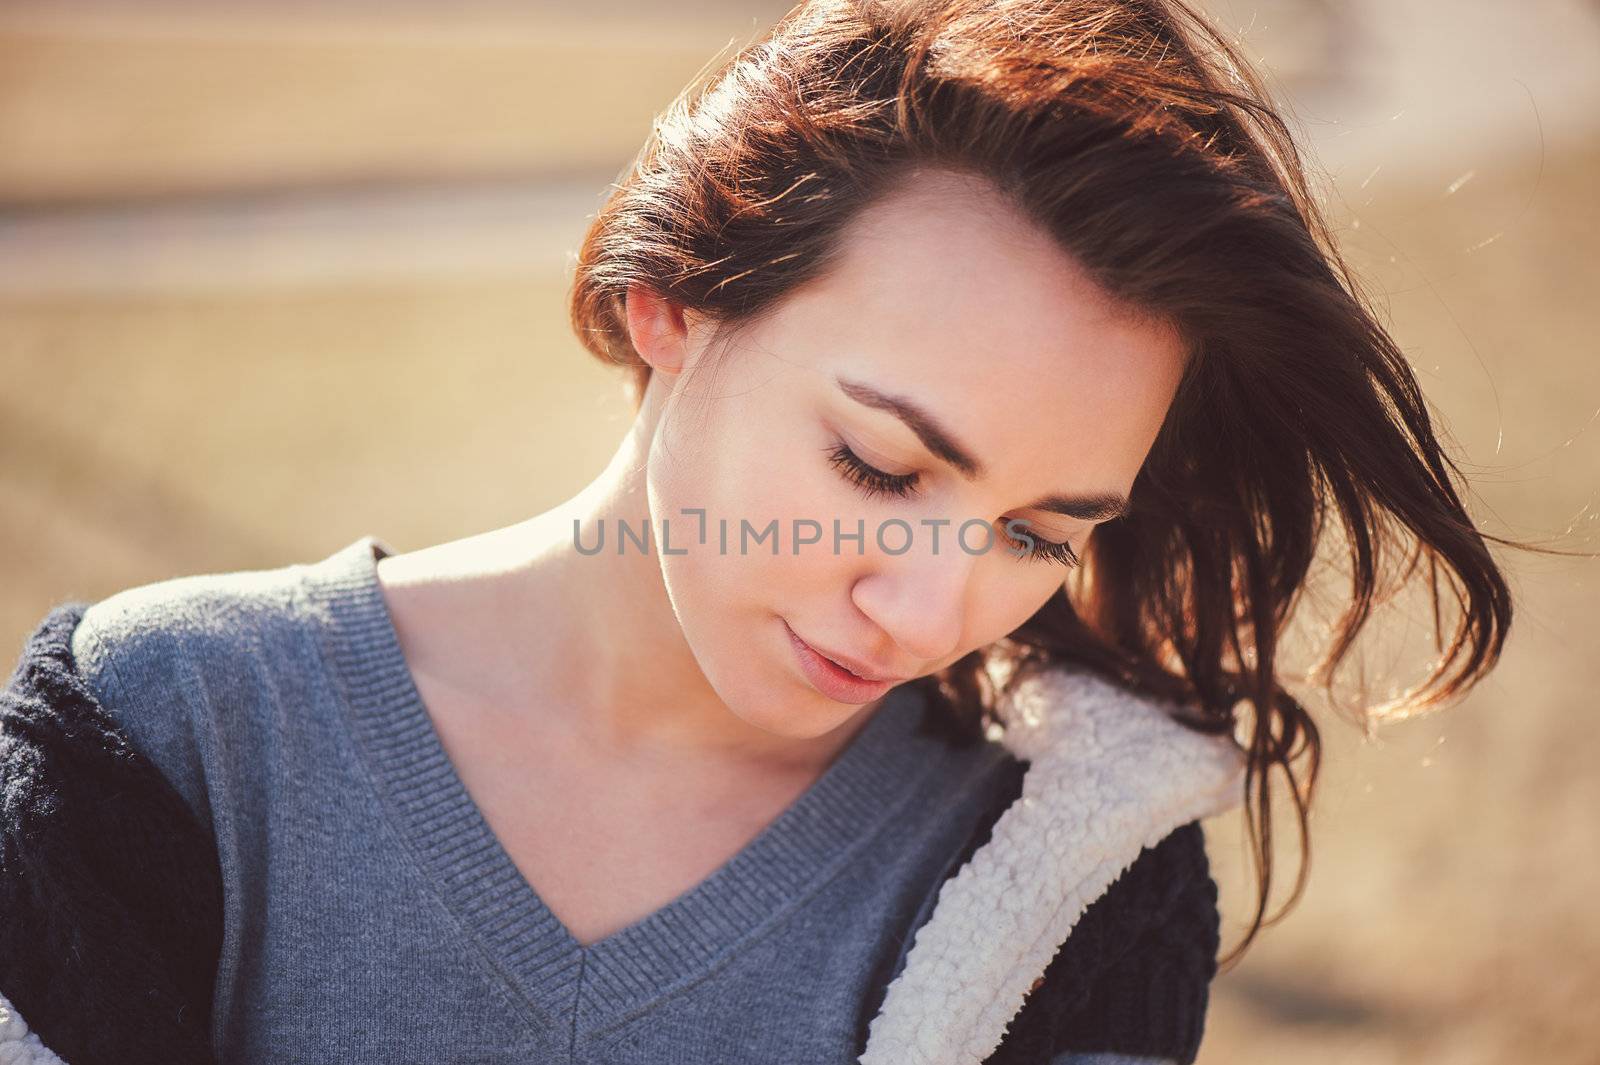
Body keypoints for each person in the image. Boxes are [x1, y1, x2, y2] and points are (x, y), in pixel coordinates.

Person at [0, 0, 1517, 1062]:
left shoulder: (1072, 887)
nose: (931, 613)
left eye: (1043, 533)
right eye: (877, 463)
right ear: (670, 301)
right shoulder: (162, 736)